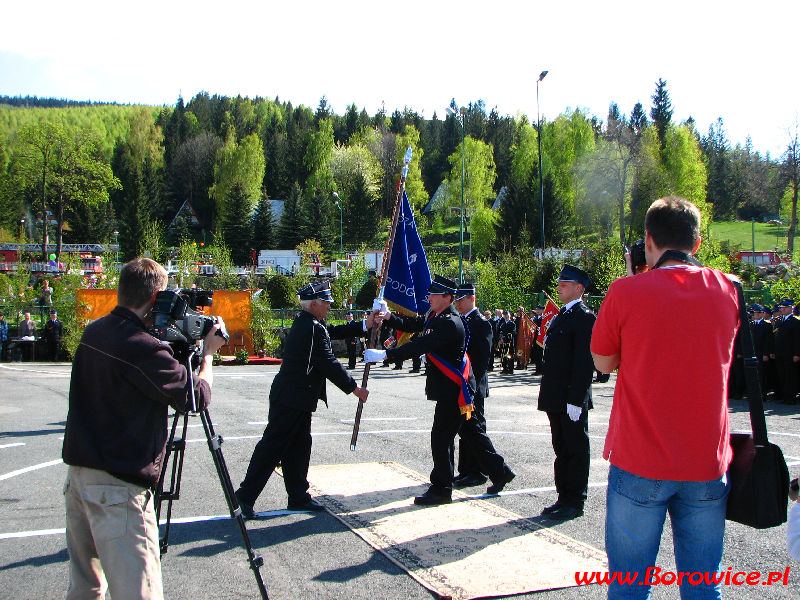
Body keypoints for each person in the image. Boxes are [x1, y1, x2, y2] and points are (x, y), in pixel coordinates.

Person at [591, 196, 738, 600]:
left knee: (628, 588)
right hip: (706, 460)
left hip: (642, 459)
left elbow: (603, 363)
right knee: (702, 588)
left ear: (647, 240)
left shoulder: (626, 291)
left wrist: (632, 277)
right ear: (698, 241)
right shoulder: (728, 289)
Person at [62, 257, 226, 600]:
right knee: (140, 593)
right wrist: (208, 355)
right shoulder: (142, 346)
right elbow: (195, 399)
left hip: (79, 478)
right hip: (119, 489)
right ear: (156, 299)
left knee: (86, 589)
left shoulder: (96, 330)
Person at [365, 275, 515, 504]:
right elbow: (414, 325)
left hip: (454, 391)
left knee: (441, 438)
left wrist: (386, 354)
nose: (429, 297)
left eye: (434, 294)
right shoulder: (436, 316)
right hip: (453, 389)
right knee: (471, 433)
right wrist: (388, 317)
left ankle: (441, 489)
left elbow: (420, 345)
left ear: (447, 298)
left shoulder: (449, 322)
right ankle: (500, 471)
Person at [235, 281, 371, 518]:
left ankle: (298, 496)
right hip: (292, 398)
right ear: (315, 303)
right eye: (326, 302)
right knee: (273, 447)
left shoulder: (309, 323)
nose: (329, 306)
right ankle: (243, 498)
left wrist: (364, 325)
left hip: (296, 397)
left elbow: (333, 332)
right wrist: (354, 388)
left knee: (298, 448)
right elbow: (327, 361)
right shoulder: (312, 327)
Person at [537, 265, 595, 521]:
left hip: (571, 397)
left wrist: (576, 399)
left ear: (579, 288)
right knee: (561, 448)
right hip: (555, 395)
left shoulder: (584, 317)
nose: (559, 287)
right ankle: (563, 497)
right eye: (559, 283)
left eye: (565, 283)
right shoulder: (562, 315)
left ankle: (575, 501)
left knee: (575, 449)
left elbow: (584, 362)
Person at [452, 283, 514, 489]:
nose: (458, 304)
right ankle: (469, 470)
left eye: (461, 300)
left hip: (472, 386)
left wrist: (469, 387)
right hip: (463, 385)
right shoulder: (462, 321)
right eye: (456, 300)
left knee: (474, 428)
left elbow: (480, 360)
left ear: (472, 298)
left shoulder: (481, 323)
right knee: (467, 430)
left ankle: (483, 471)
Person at [773, 299, 800, 404]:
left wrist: (797, 353)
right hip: (780, 353)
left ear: (790, 308)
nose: (782, 310)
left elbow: (797, 339)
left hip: (790, 353)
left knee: (791, 376)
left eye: (784, 308)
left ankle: (791, 396)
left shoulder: (795, 321)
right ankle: (784, 395)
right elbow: (776, 337)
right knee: (782, 374)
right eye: (781, 308)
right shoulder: (779, 321)